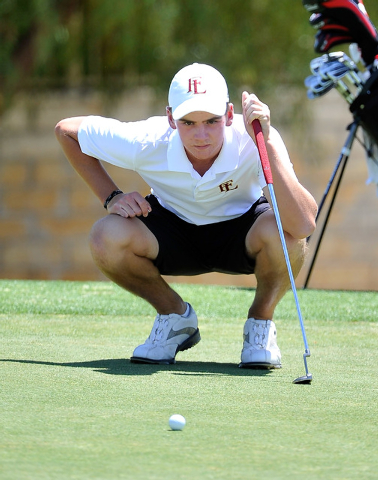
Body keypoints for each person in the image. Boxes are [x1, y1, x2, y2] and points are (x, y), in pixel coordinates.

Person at [55, 63, 317, 369]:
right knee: (105, 236)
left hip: (242, 232)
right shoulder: (147, 140)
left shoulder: (255, 138)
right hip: (171, 231)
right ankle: (174, 316)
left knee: (285, 234)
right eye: (188, 122)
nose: (201, 134)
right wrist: (112, 196)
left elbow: (302, 224)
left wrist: (266, 143)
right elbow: (66, 132)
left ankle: (260, 321)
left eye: (212, 121)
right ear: (170, 118)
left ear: (229, 115)